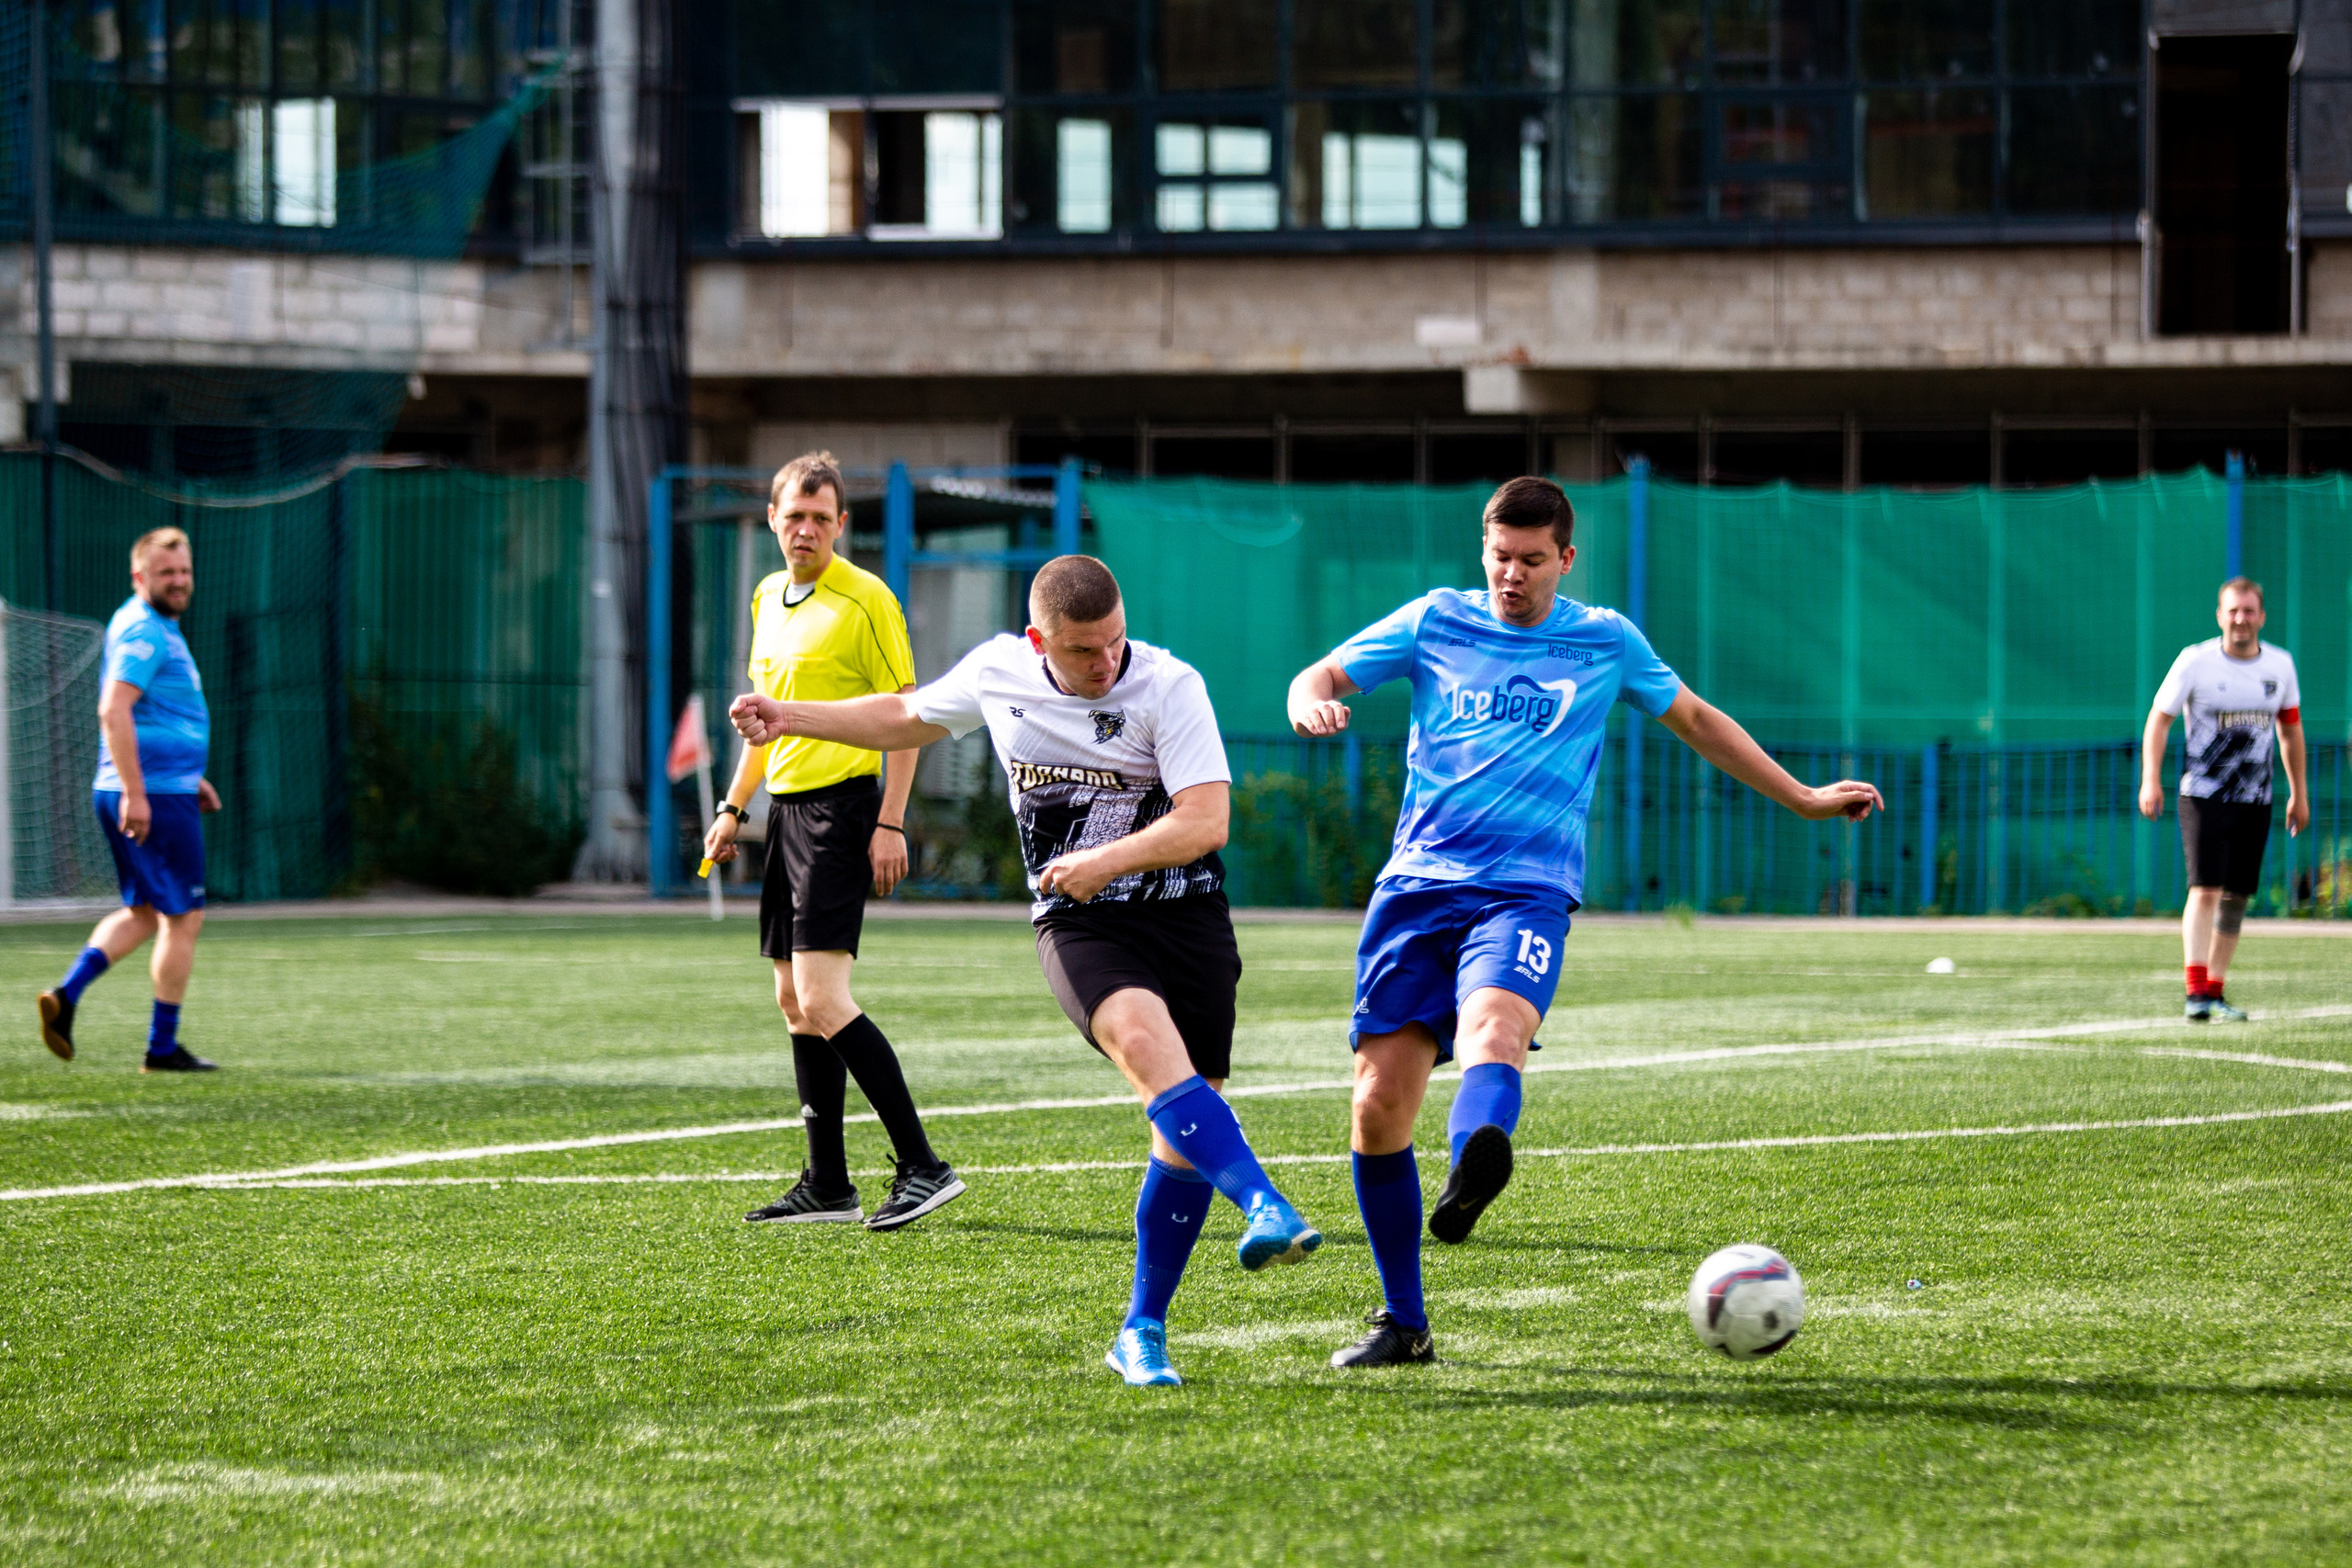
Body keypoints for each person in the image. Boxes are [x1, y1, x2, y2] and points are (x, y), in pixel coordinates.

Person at [1287, 476, 1883, 1369]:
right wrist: (1310, 699)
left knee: (1496, 1027)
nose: (1511, 576)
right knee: (1376, 1106)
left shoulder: (1604, 641)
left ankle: (1472, 1162)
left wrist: (1801, 798)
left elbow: (1695, 718)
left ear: (1565, 559)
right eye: (1498, 559)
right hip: (1415, 887)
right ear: (1481, 552)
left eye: (1531, 561)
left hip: (1524, 891)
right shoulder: (1435, 620)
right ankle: (1403, 1324)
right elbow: (1323, 674)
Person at [729, 554, 1322, 1389]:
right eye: (1085, 651)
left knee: (1182, 1138)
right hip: (1078, 922)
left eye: (1116, 641)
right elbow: (902, 715)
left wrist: (1104, 861)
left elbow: (1206, 820)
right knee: (1144, 1047)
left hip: (1187, 921)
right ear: (1041, 639)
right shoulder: (999, 670)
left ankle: (1141, 1329)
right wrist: (787, 715)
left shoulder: (1169, 684)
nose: (1106, 662)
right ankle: (1264, 1201)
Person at [702, 451, 964, 1232]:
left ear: (841, 524)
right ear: (774, 520)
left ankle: (924, 1166)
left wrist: (891, 818)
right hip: (782, 813)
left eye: (821, 517)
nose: (806, 529)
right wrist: (732, 807)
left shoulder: (868, 599)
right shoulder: (765, 597)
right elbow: (766, 721)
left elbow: (911, 714)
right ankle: (828, 1183)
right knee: (791, 1000)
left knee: (822, 995)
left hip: (842, 812)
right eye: (794, 516)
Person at [38, 527, 224, 1071]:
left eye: (184, 571)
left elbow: (153, 717)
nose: (179, 581)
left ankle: (66, 997)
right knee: (183, 918)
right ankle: (161, 1048)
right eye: (166, 573)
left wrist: (190, 774)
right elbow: (113, 710)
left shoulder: (149, 623)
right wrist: (140, 794)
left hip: (158, 787)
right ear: (140, 577)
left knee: (142, 911)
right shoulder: (145, 630)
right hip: (149, 796)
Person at [2138, 577, 2305, 1023]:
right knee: (2206, 888)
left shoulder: (2281, 667)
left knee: (2236, 897)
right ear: (2219, 615)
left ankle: (2214, 990)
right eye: (2233, 610)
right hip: (2203, 795)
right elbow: (2159, 720)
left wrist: (2298, 793)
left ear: (2262, 617)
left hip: (2256, 798)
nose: (2241, 619)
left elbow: (2290, 731)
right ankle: (2195, 992)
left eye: (2249, 611)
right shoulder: (2196, 662)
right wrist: (2149, 780)